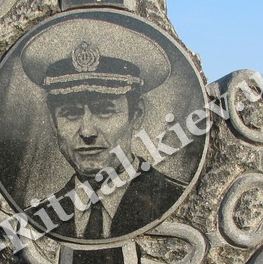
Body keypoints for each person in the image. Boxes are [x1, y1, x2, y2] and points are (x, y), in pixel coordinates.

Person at [22, 33, 184, 240]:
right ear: (53, 121)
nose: (87, 132)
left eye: (104, 111)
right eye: (70, 113)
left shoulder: (175, 202)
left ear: (136, 115)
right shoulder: (35, 221)